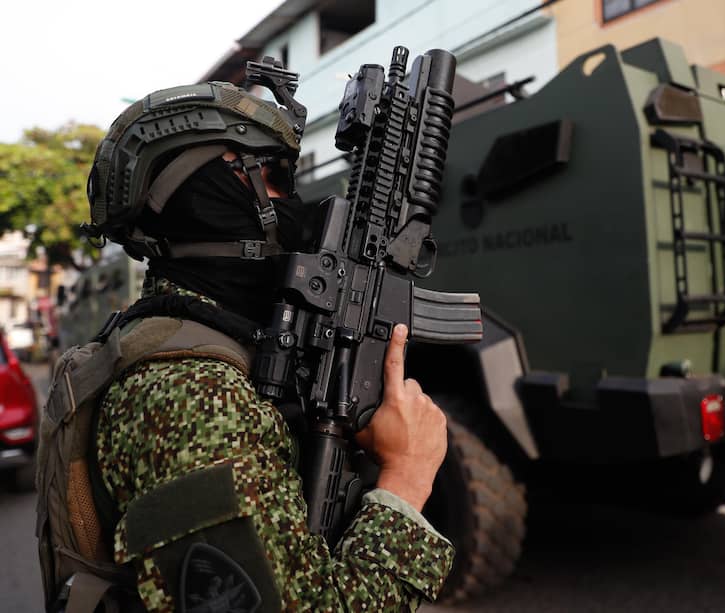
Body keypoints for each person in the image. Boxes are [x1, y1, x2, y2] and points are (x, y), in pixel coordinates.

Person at [55, 78, 455, 611]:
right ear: (204, 195)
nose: (293, 204)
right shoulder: (193, 397)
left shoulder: (189, 346)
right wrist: (407, 476)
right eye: (273, 177)